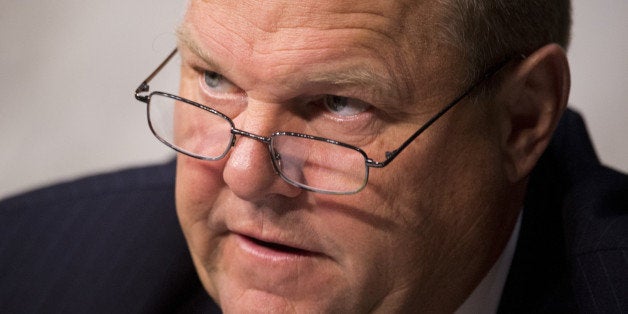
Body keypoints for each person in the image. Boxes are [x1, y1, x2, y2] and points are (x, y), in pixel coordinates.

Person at [1, 0, 626, 313]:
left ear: (522, 120)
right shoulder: (32, 271)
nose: (244, 175)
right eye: (216, 79)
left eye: (337, 103)